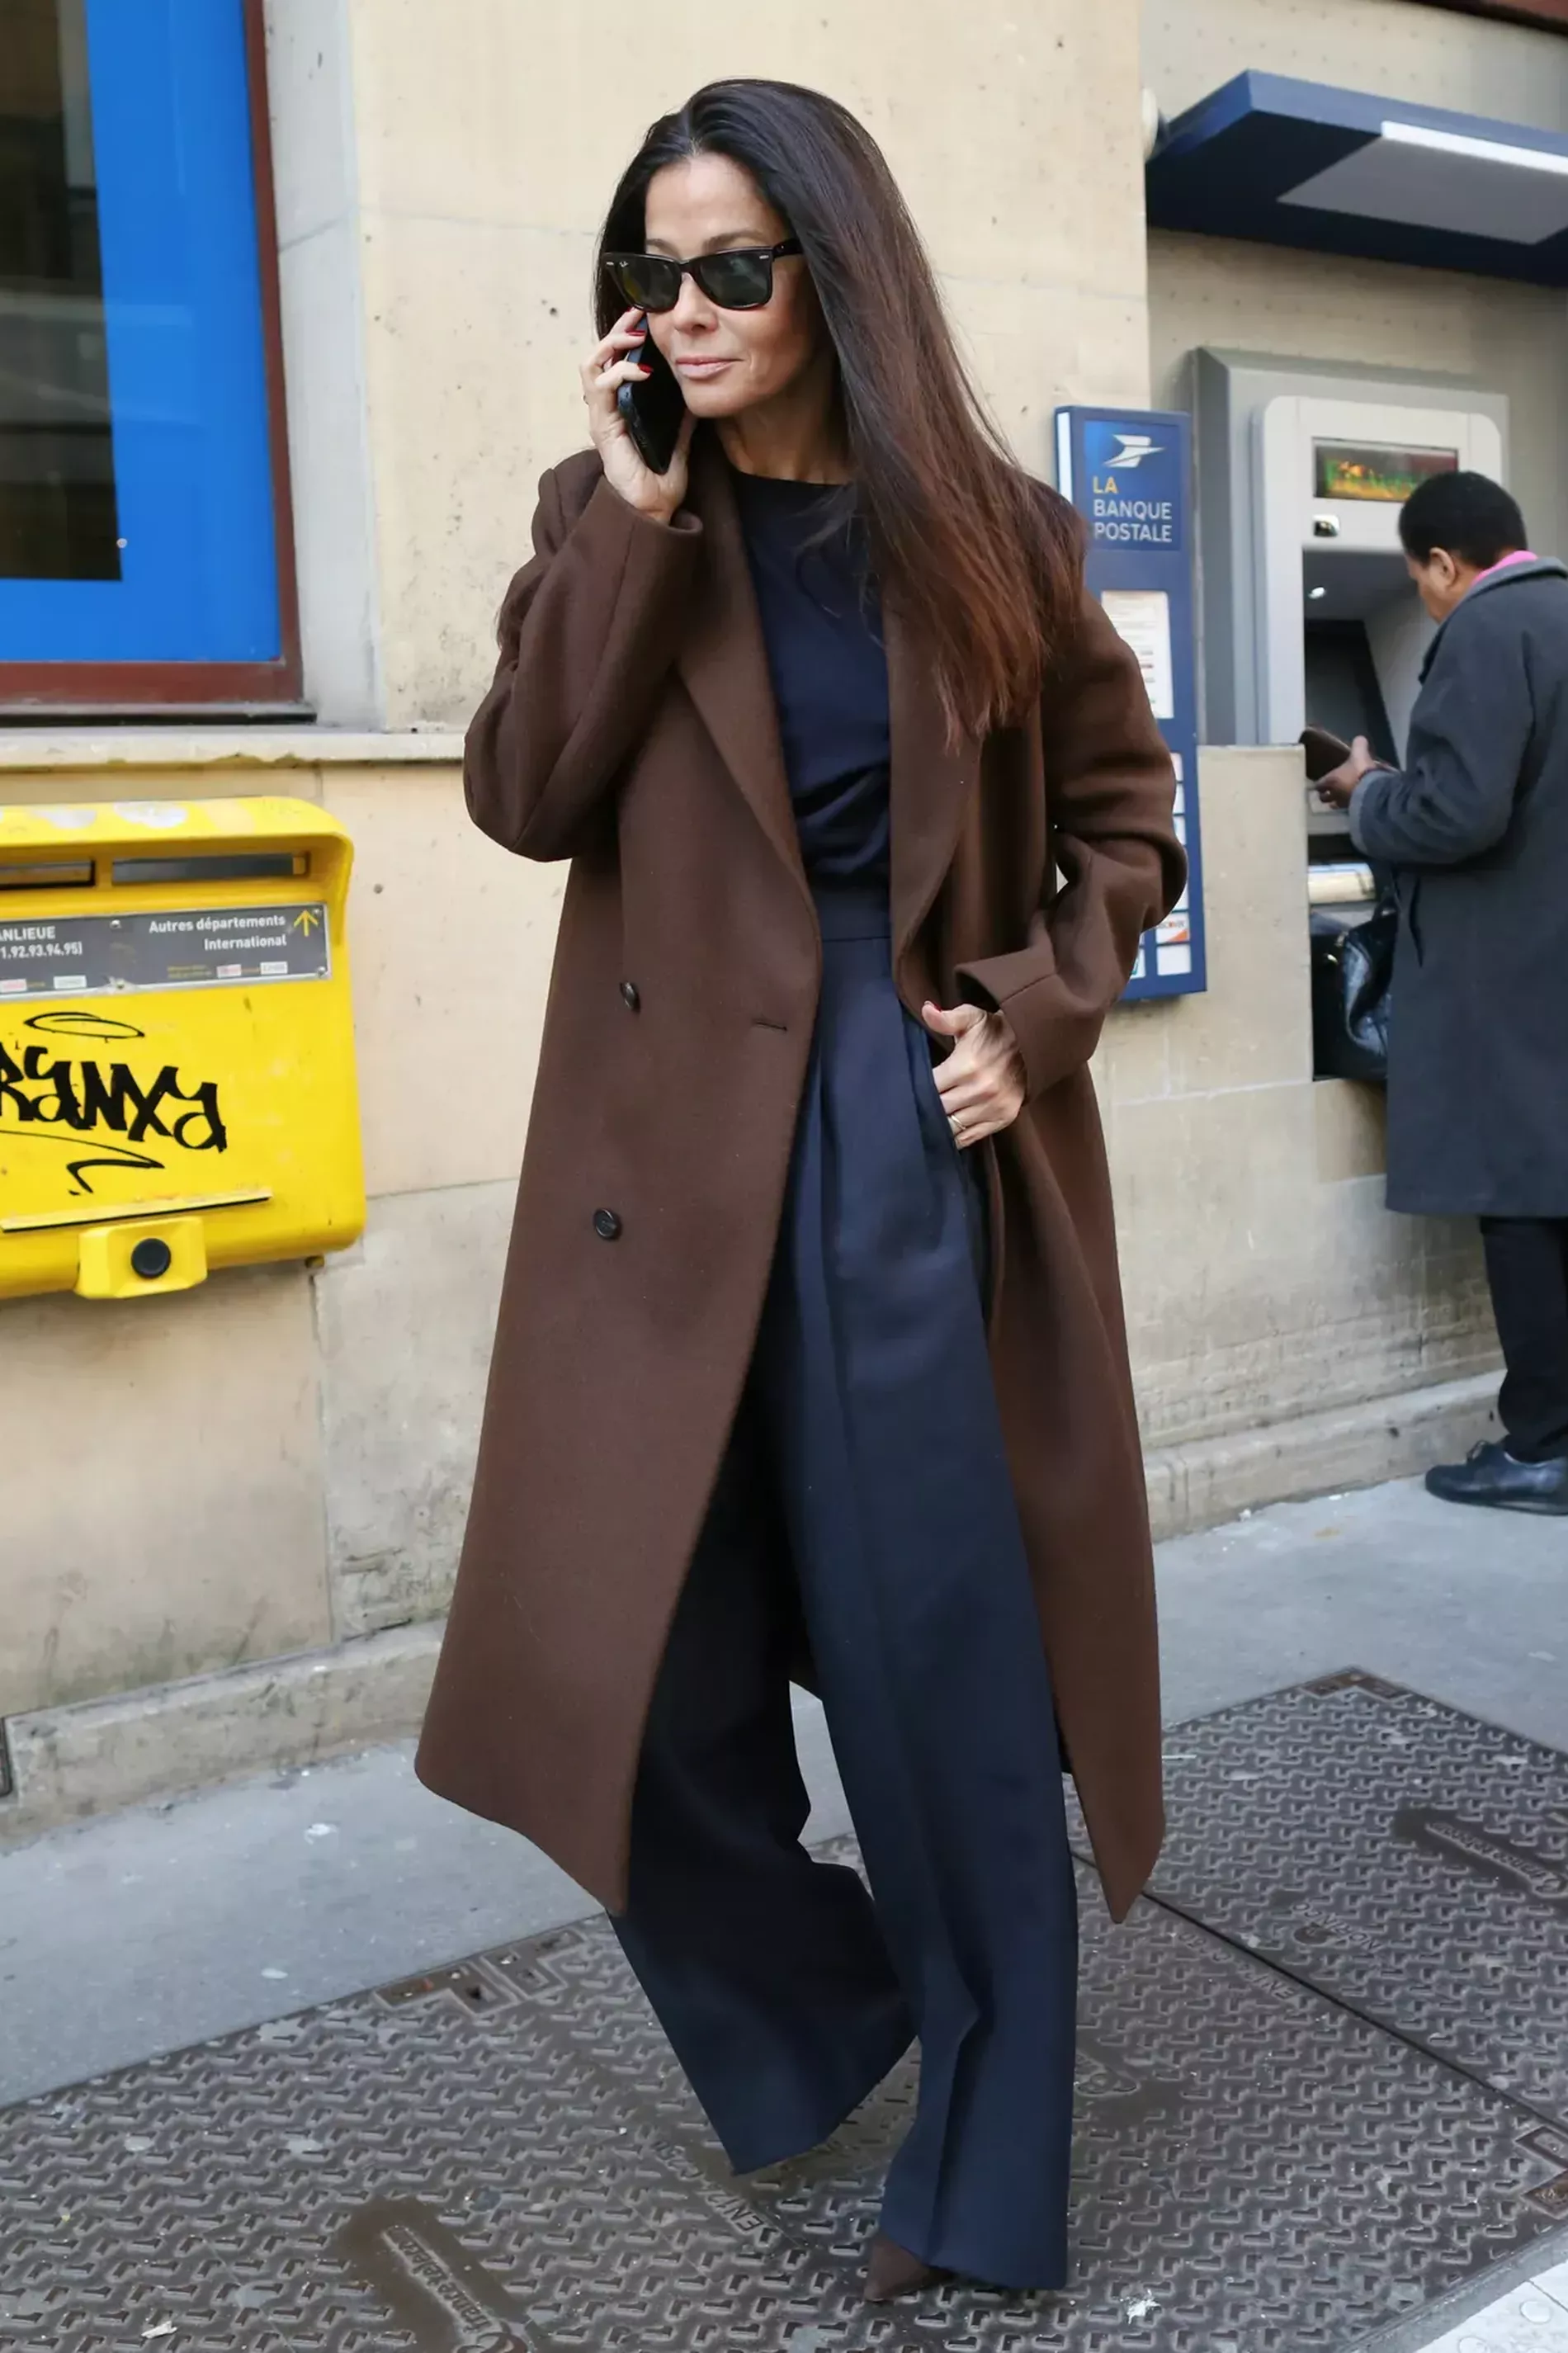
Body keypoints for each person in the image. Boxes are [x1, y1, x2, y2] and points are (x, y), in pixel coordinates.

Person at [415, 78, 1184, 2301]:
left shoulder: (998, 538)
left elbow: (1124, 827)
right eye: (651, 273)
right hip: (657, 1177)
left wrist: (1029, 1010)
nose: (687, 307)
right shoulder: (615, 509)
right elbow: (523, 791)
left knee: (934, 1666)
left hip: (891, 1131)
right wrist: (638, 520)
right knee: (620, 1681)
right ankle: (835, 2005)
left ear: (833, 274)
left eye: (731, 266)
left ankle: (982, 2160)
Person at [1319, 469, 1568, 1515]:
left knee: (1517, 1198)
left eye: (1419, 579)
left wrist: (1364, 790)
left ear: (1440, 564)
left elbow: (1454, 816)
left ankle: (1543, 1444)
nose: (1424, 598)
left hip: (1506, 970)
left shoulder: (1484, 628)